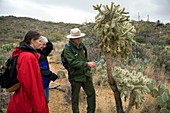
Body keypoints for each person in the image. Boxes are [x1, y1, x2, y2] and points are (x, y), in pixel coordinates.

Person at [7, 31, 49, 113]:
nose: (42, 43)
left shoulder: (27, 54)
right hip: (27, 99)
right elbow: (30, 84)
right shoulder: (28, 57)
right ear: (32, 41)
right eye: (39, 41)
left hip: (25, 95)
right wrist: (38, 105)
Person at [62, 28, 96, 113]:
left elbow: (84, 58)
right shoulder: (67, 49)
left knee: (91, 94)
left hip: (85, 74)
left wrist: (87, 64)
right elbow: (72, 63)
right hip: (75, 76)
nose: (79, 39)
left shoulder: (82, 46)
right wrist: (87, 64)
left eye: (79, 37)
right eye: (77, 38)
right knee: (75, 97)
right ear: (72, 38)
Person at [37, 36, 58, 104]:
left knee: (46, 101)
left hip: (45, 81)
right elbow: (38, 68)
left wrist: (45, 39)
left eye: (45, 44)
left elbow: (50, 47)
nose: (44, 46)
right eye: (42, 44)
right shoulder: (34, 54)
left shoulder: (42, 52)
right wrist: (50, 75)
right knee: (41, 102)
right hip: (39, 83)